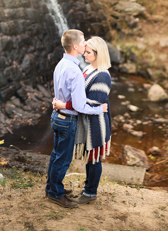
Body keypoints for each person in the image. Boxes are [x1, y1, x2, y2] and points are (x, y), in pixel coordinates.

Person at [45, 29, 106, 209]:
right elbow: (80, 106)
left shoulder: (61, 64)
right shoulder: (75, 72)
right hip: (67, 121)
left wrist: (61, 104)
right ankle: (55, 194)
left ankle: (52, 188)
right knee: (63, 159)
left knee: (56, 155)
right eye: (83, 42)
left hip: (56, 116)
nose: (85, 44)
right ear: (75, 47)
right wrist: (98, 109)